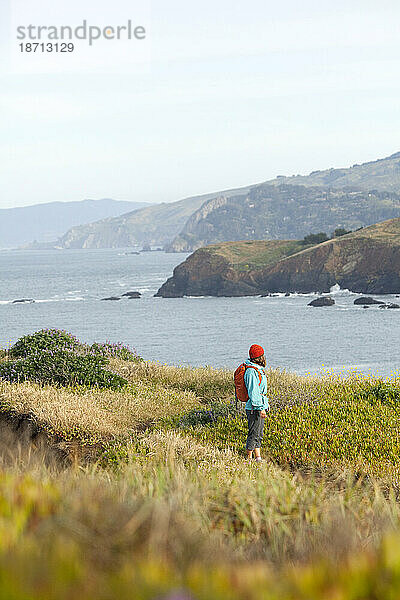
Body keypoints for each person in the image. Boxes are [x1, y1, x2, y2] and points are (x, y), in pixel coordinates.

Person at [244, 344, 269, 463]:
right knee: (253, 432)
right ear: (260, 357)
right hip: (254, 408)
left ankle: (258, 457)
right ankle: (249, 459)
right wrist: (260, 408)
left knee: (259, 433)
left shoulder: (257, 370)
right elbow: (254, 392)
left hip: (259, 406)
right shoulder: (251, 371)